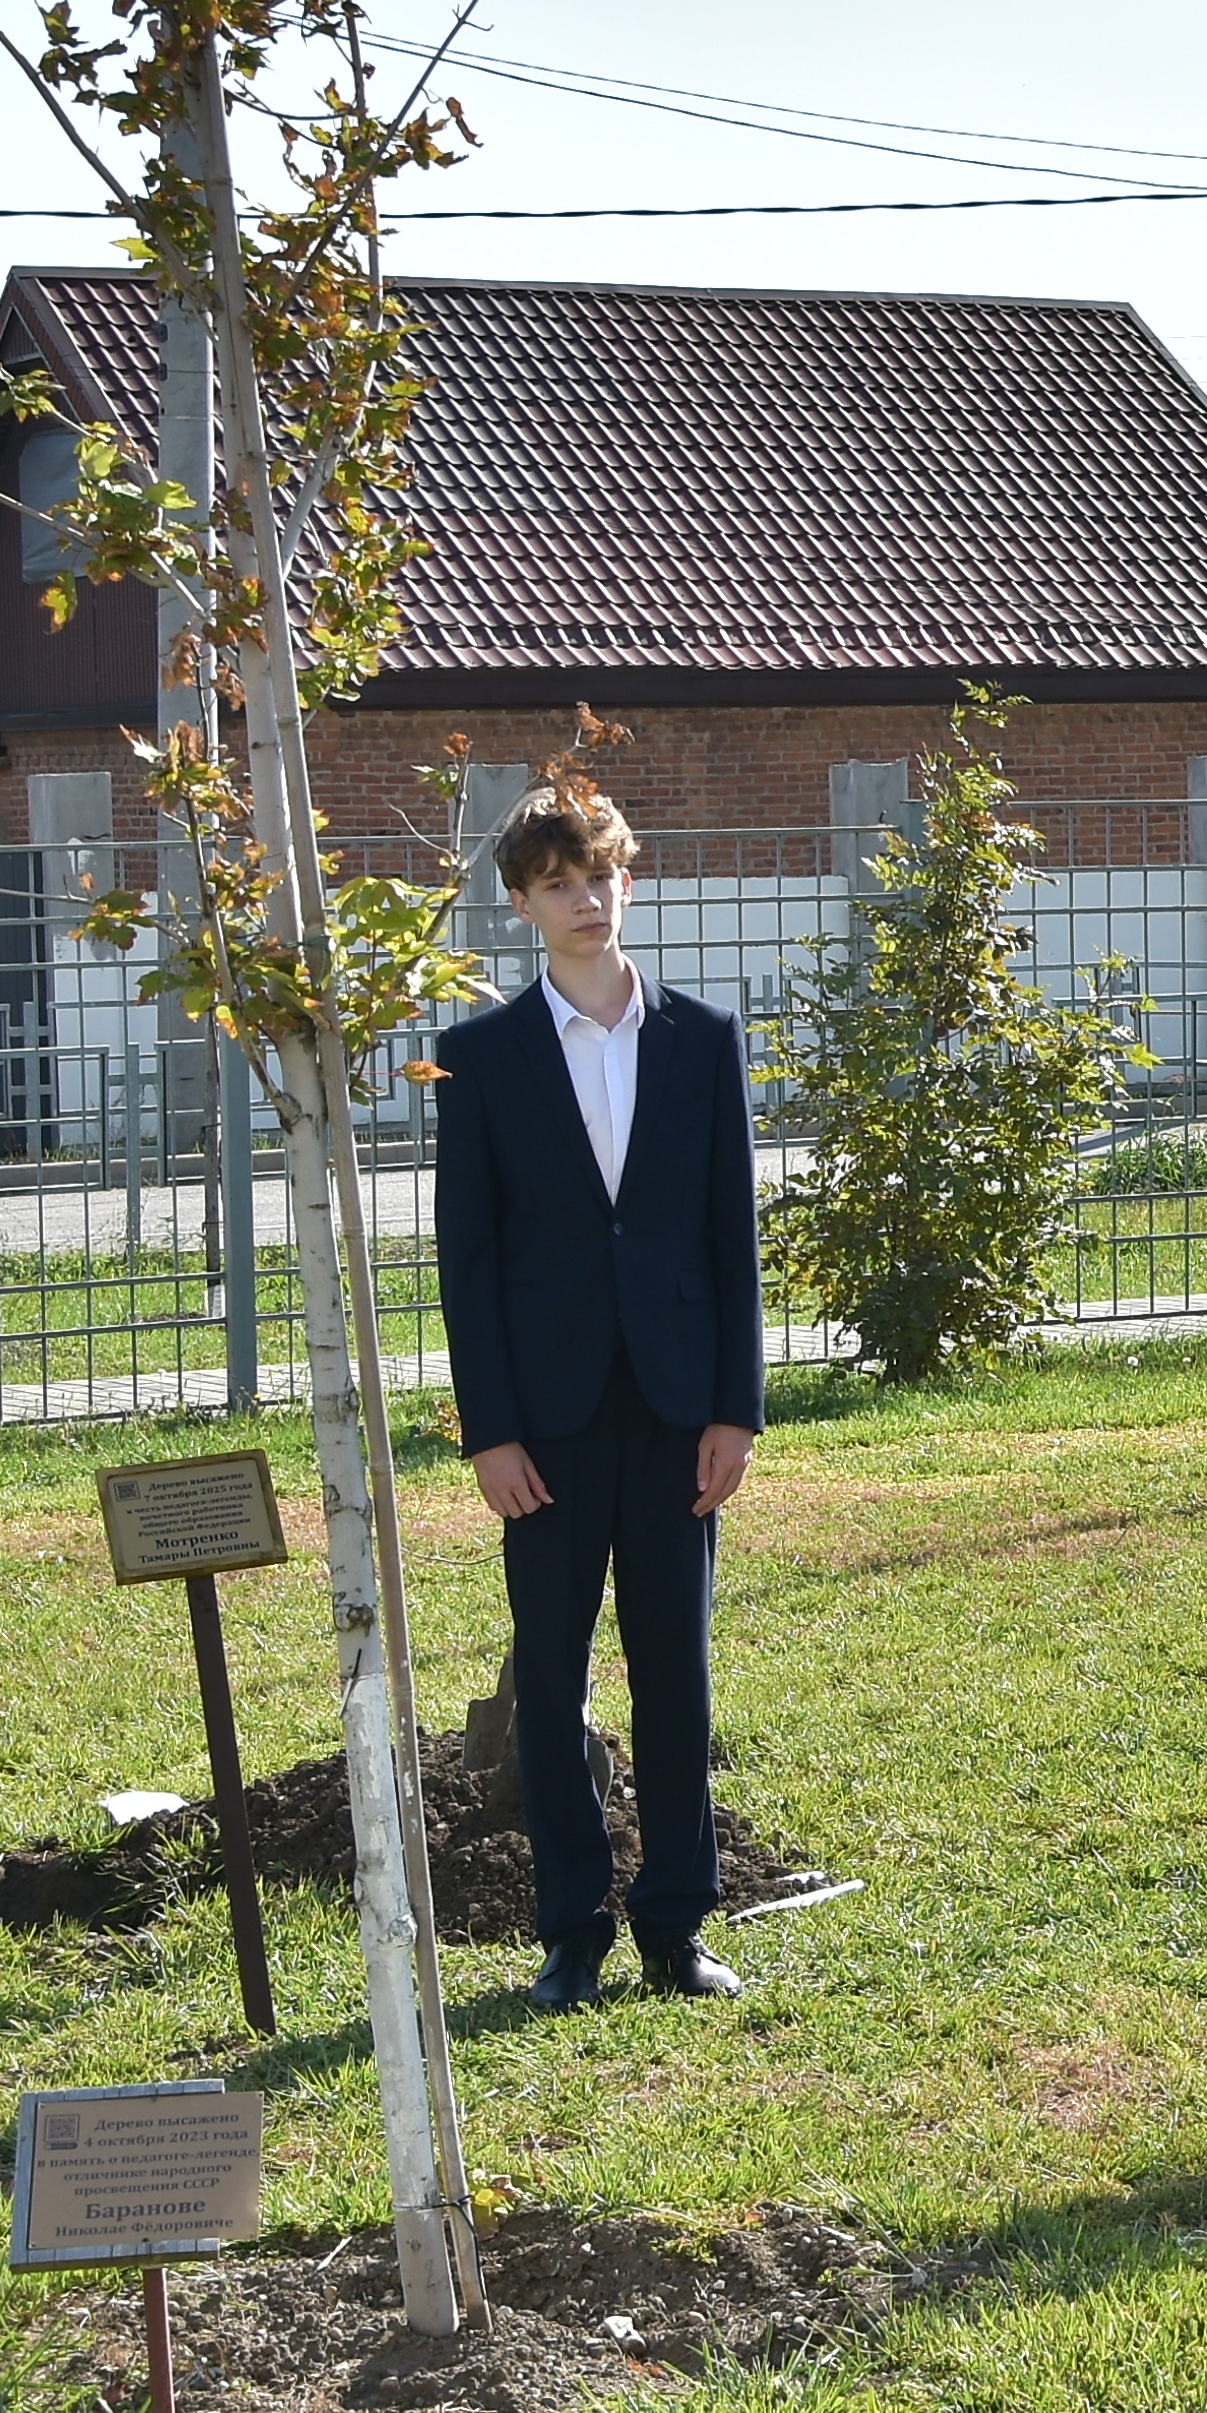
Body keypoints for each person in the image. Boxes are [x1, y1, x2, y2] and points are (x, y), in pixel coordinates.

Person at [432, 781, 767, 2004]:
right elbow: (466, 1264)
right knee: (554, 1671)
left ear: (631, 879)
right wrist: (492, 1434)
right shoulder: (477, 1060)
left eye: (603, 873)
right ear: (520, 901)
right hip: (549, 1425)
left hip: (680, 1413)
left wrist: (736, 1408)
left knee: (675, 1665)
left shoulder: (702, 1038)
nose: (587, 897)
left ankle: (677, 1924)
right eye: (560, 880)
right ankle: (571, 1928)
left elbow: (733, 1237)